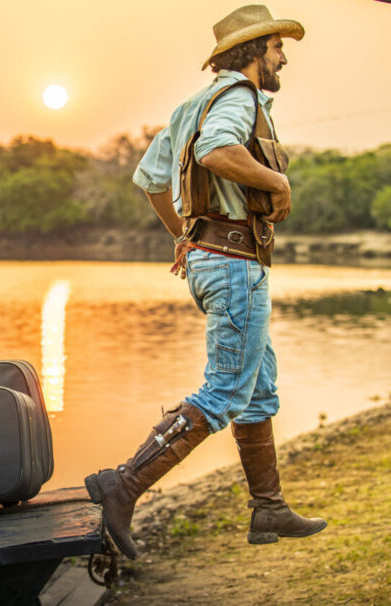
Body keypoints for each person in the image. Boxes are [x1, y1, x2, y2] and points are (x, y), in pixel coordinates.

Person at [85, 5, 326, 560]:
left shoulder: (192, 104)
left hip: (213, 258)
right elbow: (216, 152)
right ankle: (122, 488)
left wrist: (183, 238)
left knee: (257, 389)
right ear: (252, 54)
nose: (283, 57)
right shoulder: (239, 99)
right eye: (276, 49)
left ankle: (269, 509)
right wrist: (278, 182)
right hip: (235, 262)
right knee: (223, 392)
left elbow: (150, 181)